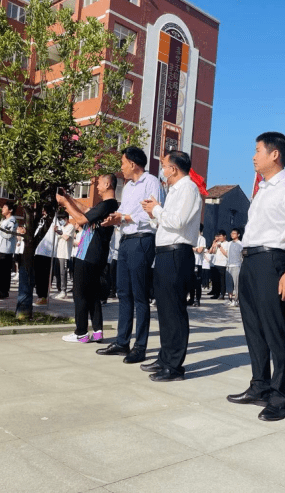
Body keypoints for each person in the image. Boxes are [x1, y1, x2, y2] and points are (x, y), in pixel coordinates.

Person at [226, 132, 285, 422]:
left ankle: (280, 398)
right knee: (253, 329)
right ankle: (259, 385)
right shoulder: (261, 189)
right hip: (250, 260)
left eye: (257, 150)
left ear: (274, 154)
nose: (253, 156)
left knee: (274, 330)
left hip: (272, 262)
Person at [97, 147, 163, 363]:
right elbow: (125, 213)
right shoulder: (128, 187)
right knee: (124, 293)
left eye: (123, 163)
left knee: (140, 295)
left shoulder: (151, 181)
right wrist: (115, 218)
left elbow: (152, 212)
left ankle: (140, 346)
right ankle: (122, 341)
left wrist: (124, 217)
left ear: (133, 164)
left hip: (142, 240)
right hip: (125, 242)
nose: (122, 167)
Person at [140, 150, 201, 382]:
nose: (162, 170)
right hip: (165, 254)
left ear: (173, 169)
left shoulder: (188, 188)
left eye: (164, 165)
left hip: (177, 254)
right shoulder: (175, 191)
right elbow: (165, 224)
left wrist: (156, 209)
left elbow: (177, 222)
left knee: (174, 310)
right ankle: (165, 358)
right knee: (164, 310)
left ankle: (174, 366)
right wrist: (153, 212)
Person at [57, 174, 119, 343]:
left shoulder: (108, 204)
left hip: (88, 254)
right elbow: (86, 211)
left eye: (99, 183)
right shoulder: (107, 206)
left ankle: (81, 332)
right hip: (95, 254)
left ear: (107, 184)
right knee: (92, 294)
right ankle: (97, 332)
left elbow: (81, 219)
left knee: (80, 293)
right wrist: (69, 198)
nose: (97, 186)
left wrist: (65, 204)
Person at [0, 201, 17, 299]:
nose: (2, 209)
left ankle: (4, 291)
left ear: (10, 210)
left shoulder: (12, 221)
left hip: (6, 250)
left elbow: (8, 235)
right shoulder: (4, 220)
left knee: (5, 272)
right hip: (0, 249)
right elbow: (1, 234)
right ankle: (0, 289)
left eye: (5, 207)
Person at [53, 212, 74, 300]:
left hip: (65, 253)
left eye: (62, 219)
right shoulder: (62, 227)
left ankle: (64, 291)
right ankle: (60, 290)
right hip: (58, 253)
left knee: (63, 273)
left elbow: (66, 237)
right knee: (58, 273)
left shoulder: (70, 227)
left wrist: (58, 231)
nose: (60, 221)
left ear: (66, 219)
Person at [188, 223, 207, 306]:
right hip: (190, 262)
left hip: (197, 263)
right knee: (190, 282)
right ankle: (191, 299)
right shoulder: (191, 238)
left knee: (197, 283)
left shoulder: (201, 239)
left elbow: (200, 250)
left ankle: (197, 300)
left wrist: (192, 248)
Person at [209, 230, 230, 299]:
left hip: (223, 264)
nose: (219, 237)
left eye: (221, 236)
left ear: (224, 236)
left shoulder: (227, 244)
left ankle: (222, 294)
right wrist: (213, 245)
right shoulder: (218, 243)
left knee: (222, 281)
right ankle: (216, 294)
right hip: (216, 263)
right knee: (216, 280)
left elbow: (227, 254)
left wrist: (220, 247)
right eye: (219, 236)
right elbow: (211, 252)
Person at [226, 228, 243, 307]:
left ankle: (236, 300)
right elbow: (227, 254)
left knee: (236, 284)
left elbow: (242, 255)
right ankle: (230, 299)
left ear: (238, 234)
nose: (232, 235)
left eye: (234, 233)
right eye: (231, 233)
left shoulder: (241, 244)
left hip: (236, 266)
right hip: (229, 265)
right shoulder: (229, 243)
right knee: (229, 284)